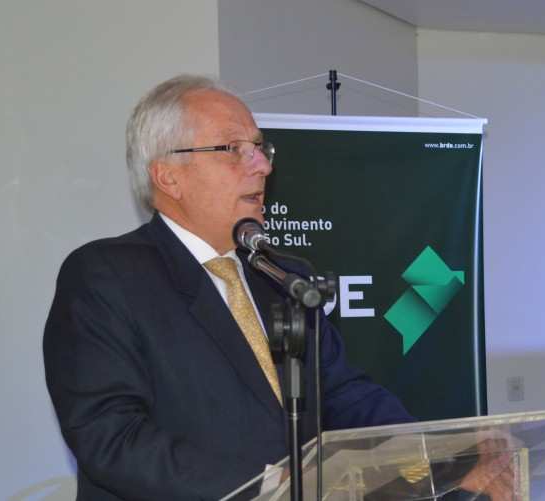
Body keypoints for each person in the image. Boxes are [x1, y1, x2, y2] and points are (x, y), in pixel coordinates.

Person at [43, 75, 414, 500]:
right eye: (233, 149)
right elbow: (111, 437)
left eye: (259, 148)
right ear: (168, 177)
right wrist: (269, 487)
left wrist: (428, 455)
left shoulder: (284, 277)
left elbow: (344, 394)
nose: (263, 166)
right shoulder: (106, 277)